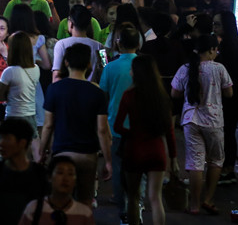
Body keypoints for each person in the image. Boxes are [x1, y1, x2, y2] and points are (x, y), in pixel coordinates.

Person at [39, 43, 112, 206]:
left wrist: (42, 150)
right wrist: (108, 160)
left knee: (60, 201)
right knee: (85, 201)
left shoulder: (54, 89)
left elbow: (48, 125)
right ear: (88, 64)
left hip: (62, 154)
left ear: (66, 63)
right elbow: (102, 130)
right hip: (87, 154)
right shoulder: (97, 92)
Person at [170, 34, 233, 215]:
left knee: (195, 163)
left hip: (191, 120)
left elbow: (174, 93)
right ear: (212, 50)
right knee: (215, 161)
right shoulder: (219, 69)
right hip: (213, 121)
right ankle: (208, 199)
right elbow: (229, 93)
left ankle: (194, 205)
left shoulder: (186, 68)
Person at [114, 55, 178, 225]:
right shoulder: (162, 97)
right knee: (156, 198)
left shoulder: (129, 96)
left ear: (136, 73)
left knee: (133, 197)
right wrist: (173, 157)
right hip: (157, 151)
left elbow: (117, 126)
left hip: (134, 150)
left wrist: (131, 133)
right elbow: (169, 131)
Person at [0, 117, 48, 225]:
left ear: (22, 143)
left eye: (7, 139)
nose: (1, 144)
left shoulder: (40, 174)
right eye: (1, 138)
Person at [98, 25, 139, 221]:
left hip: (115, 124)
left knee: (118, 166)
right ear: (138, 43)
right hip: (140, 126)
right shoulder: (144, 64)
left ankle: (121, 203)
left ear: (118, 43)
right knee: (138, 168)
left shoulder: (110, 67)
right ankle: (137, 202)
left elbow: (103, 94)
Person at [214, 10, 238, 185]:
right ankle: (226, 168)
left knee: (227, 131)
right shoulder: (232, 43)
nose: (214, 28)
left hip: (232, 95)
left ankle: (228, 169)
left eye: (217, 24)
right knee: (227, 131)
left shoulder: (229, 45)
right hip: (233, 94)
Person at [17, 155, 96, 225]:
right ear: (49, 177)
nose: (65, 178)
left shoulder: (84, 213)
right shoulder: (34, 208)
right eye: (60, 172)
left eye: (70, 174)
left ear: (76, 181)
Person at [52, 5, 103, 83]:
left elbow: (56, 75)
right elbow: (104, 72)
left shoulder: (60, 44)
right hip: (90, 91)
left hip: (67, 91)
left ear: (71, 23)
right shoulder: (100, 47)